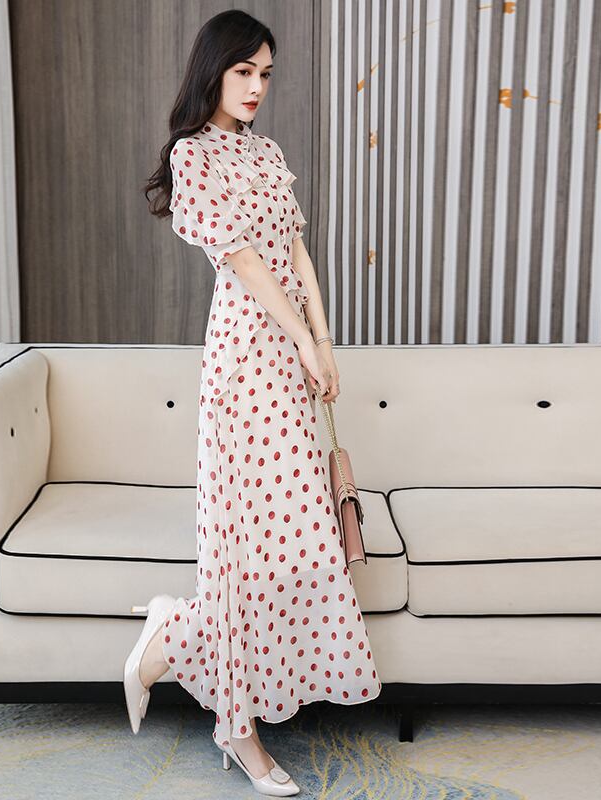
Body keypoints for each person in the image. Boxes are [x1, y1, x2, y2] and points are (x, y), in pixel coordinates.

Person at [130, 9, 381, 796]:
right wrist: (301, 340)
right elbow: (242, 261)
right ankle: (237, 730)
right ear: (214, 70)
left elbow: (296, 250)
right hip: (245, 358)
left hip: (289, 356)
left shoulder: (265, 153)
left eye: (265, 74)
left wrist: (324, 341)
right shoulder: (193, 156)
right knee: (242, 549)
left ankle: (169, 636)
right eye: (243, 72)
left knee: (294, 542)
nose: (256, 87)